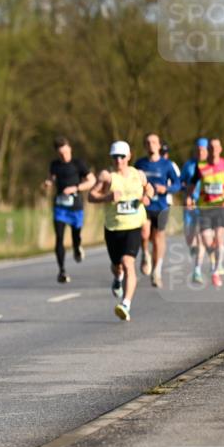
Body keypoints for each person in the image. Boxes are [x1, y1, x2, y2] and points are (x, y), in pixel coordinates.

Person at [89, 140, 154, 321]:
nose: (118, 160)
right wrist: (107, 197)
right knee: (117, 266)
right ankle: (118, 279)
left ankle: (126, 304)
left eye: (122, 156)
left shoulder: (138, 175)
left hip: (133, 226)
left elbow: (150, 189)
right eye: (115, 157)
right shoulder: (107, 176)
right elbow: (91, 196)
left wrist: (147, 197)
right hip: (113, 227)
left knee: (128, 263)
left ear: (129, 156)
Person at [43, 137, 96, 283]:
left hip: (75, 206)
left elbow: (92, 181)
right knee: (59, 238)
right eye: (60, 154)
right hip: (60, 206)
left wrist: (76, 188)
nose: (64, 156)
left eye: (65, 152)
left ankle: (77, 246)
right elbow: (51, 178)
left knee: (75, 235)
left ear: (70, 149)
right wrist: (48, 183)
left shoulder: (78, 164)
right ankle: (62, 271)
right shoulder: (54, 165)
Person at [134, 133, 181, 288]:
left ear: (159, 145)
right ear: (145, 146)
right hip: (144, 206)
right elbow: (131, 181)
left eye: (154, 142)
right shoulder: (140, 164)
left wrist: (165, 188)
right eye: (148, 142)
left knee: (158, 238)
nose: (151, 145)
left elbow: (177, 184)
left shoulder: (167, 165)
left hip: (161, 207)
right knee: (144, 233)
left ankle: (157, 271)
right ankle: (145, 254)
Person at [188, 136, 224, 287]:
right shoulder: (201, 166)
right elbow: (192, 183)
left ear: (220, 149)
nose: (213, 150)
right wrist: (190, 197)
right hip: (205, 209)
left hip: (221, 208)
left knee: (220, 238)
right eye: (210, 147)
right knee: (207, 241)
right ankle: (214, 259)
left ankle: (215, 271)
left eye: (216, 147)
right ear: (207, 150)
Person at [181, 138, 209, 264]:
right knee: (189, 237)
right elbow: (180, 182)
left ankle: (197, 267)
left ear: (208, 151)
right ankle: (193, 247)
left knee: (200, 235)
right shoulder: (189, 165)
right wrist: (186, 192)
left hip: (205, 205)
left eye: (203, 150)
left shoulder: (212, 165)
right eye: (198, 150)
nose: (200, 152)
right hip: (189, 205)